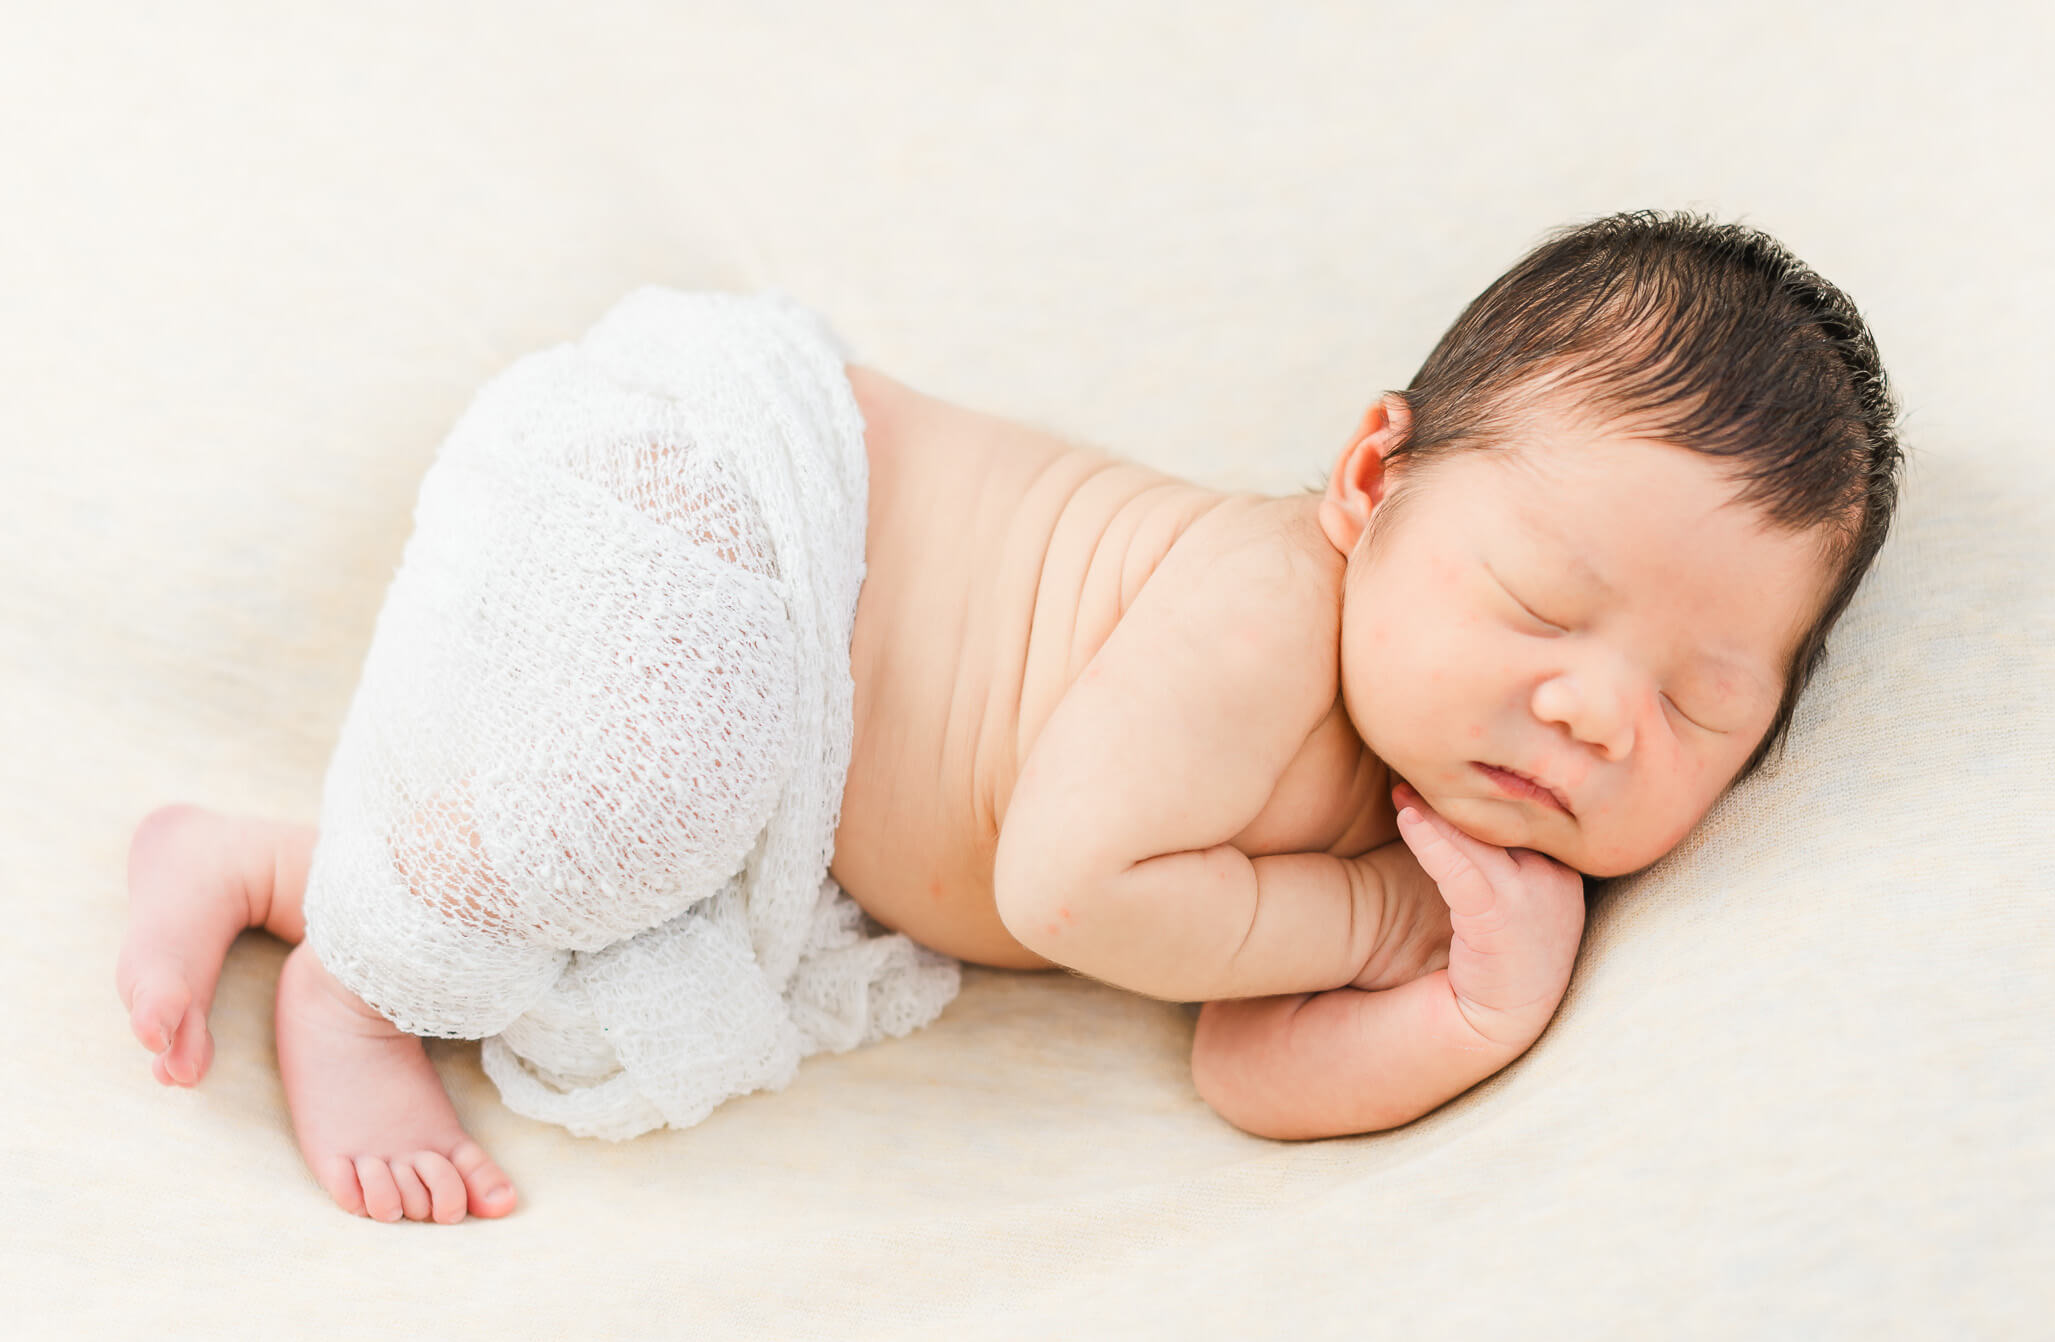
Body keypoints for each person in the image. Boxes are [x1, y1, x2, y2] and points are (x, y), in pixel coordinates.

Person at [114, 210, 1902, 1223]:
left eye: (1698, 702)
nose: (1593, 708)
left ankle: (274, 865)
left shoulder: (1468, 828)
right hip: (739, 506)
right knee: (629, 777)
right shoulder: (1270, 598)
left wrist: (1469, 997)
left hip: (800, 777)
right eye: (1538, 601)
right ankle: (362, 979)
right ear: (1373, 481)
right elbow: (1067, 886)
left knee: (637, 855)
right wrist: (1375, 921)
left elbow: (1241, 1066)